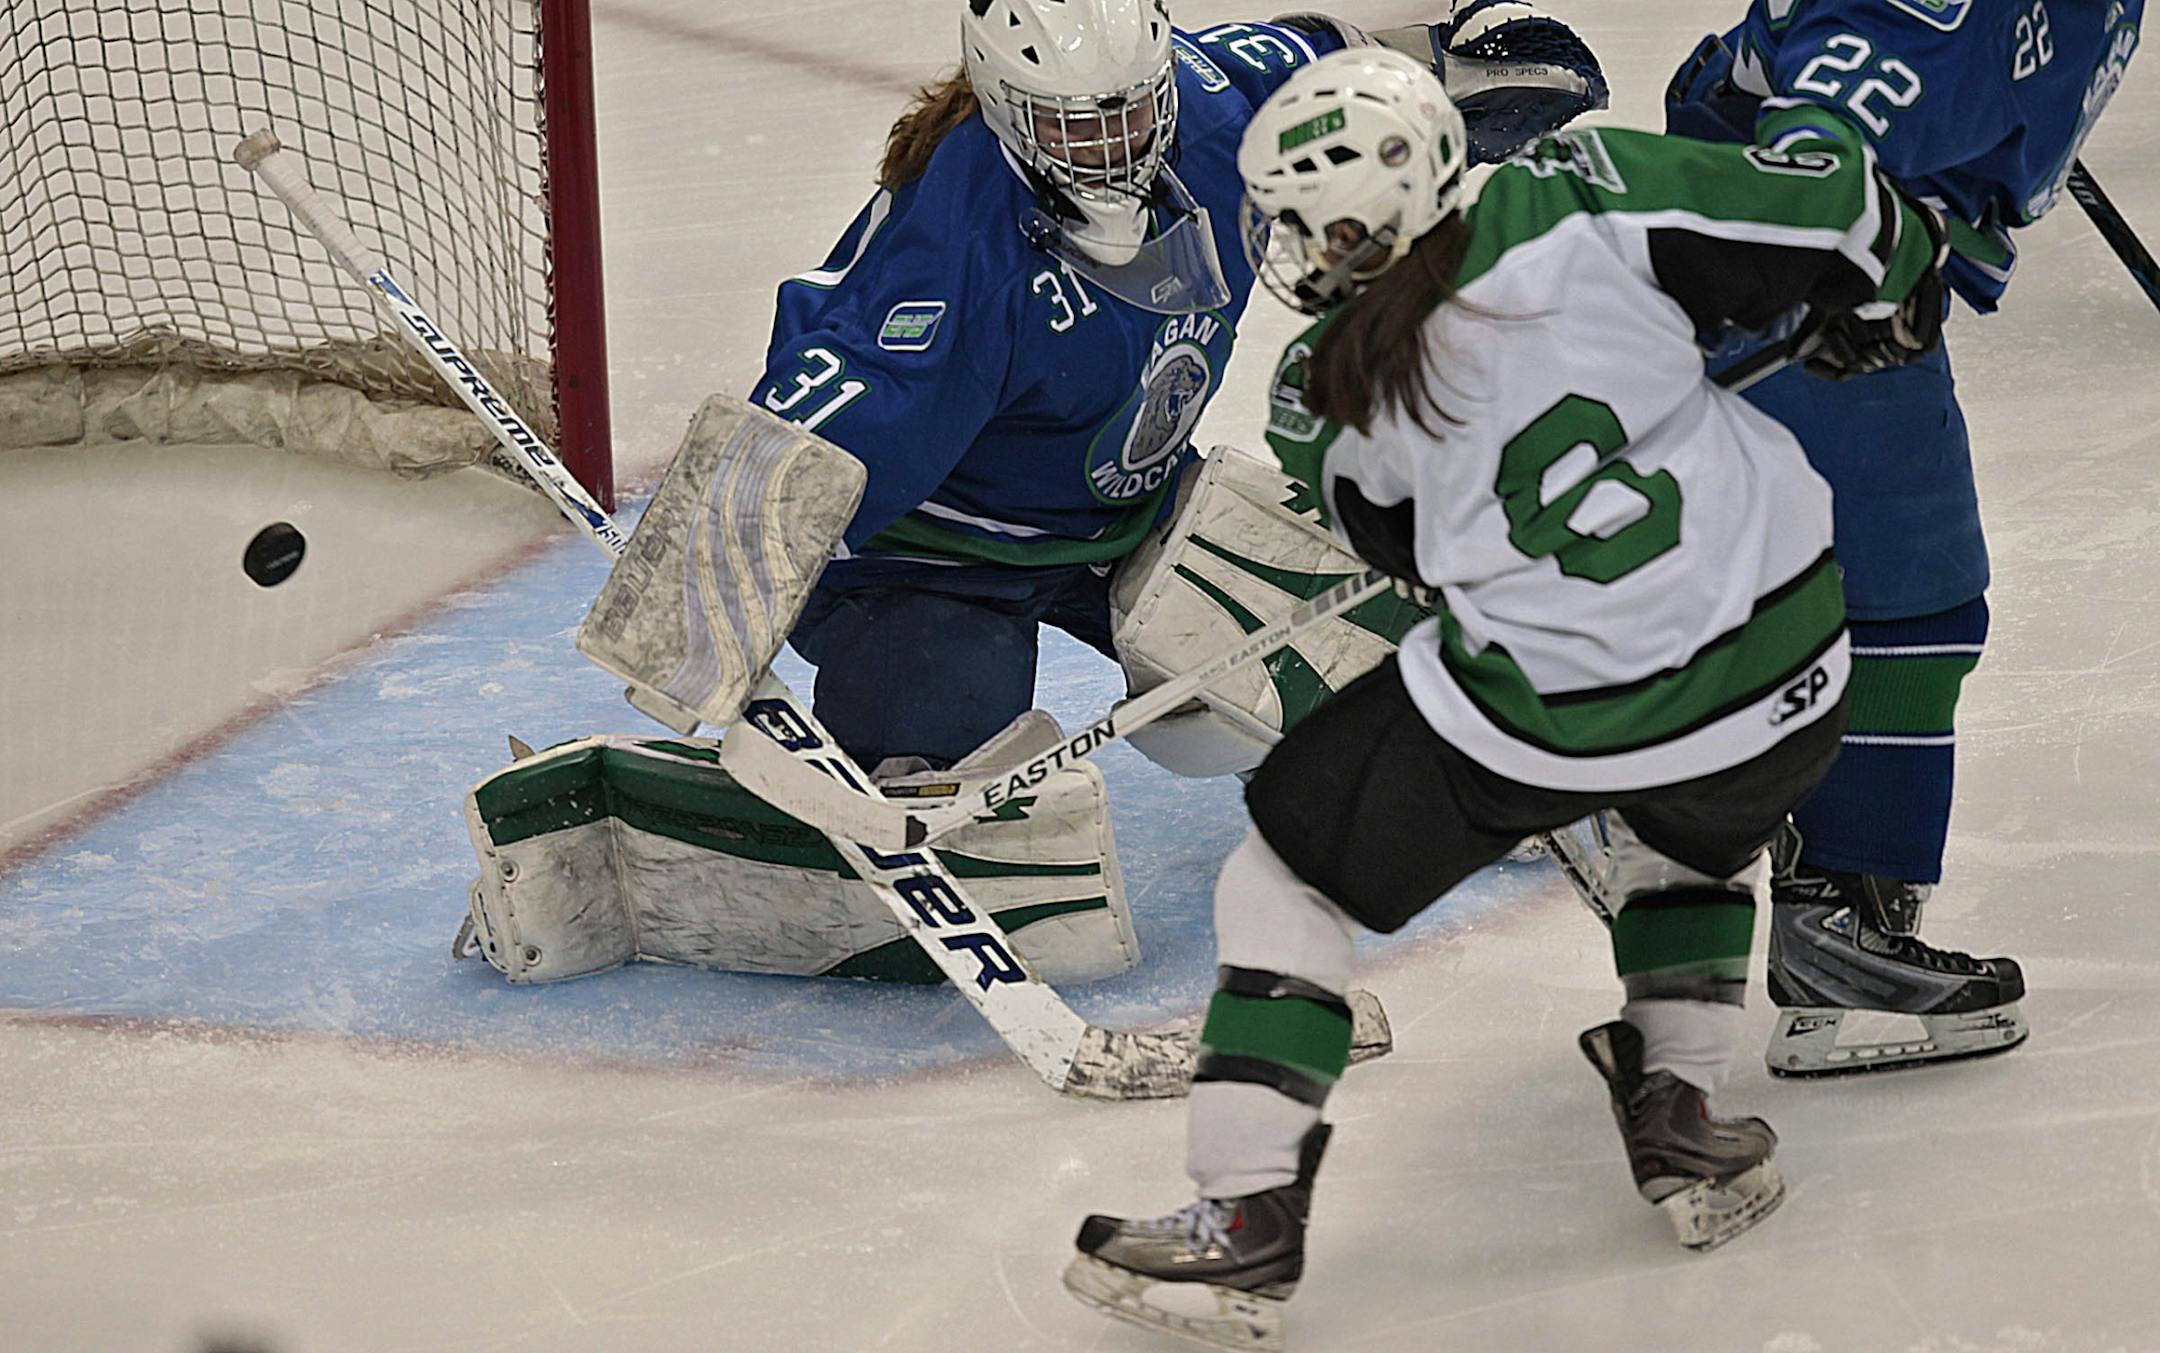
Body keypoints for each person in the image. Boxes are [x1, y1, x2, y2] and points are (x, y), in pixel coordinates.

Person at [1062, 48, 1950, 1350]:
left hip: (1560, 704)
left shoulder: (1340, 400)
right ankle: (1683, 1113)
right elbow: (1824, 208)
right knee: (1687, 832)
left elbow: (1418, 561)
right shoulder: (1585, 192)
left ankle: (1244, 1217)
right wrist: (1897, 279)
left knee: (1284, 879)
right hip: (1789, 661)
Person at [751, 0, 1607, 777]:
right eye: (1079, 128)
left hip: (1132, 517)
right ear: (1012, 111)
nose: (1117, 146)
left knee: (1350, 654)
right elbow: (827, 421)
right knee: (945, 752)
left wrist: (1451, 62)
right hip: (934, 558)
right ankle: (906, 747)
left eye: (1132, 110)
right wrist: (720, 565)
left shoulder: (1218, 109)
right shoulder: (955, 247)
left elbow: (1327, 59)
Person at [1651, 0, 2140, 1076]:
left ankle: (1822, 897)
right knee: (1910, 590)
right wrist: (1849, 257)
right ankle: (1836, 929)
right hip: (1791, 272)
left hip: (1835, 257)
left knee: (1890, 586)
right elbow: (1815, 146)